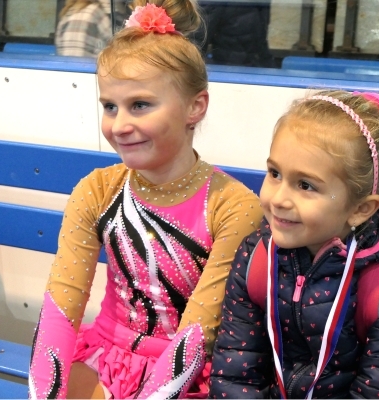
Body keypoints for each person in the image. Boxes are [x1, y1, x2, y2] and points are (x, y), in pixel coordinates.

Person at [30, 1, 263, 398]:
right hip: (105, 356)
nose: (120, 125)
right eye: (110, 106)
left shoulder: (232, 206)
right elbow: (61, 306)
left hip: (186, 373)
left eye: (140, 105)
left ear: (195, 107)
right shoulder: (97, 189)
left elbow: (196, 334)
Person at [210, 90, 379, 398]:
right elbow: (235, 373)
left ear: (360, 209)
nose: (278, 199)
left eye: (305, 185)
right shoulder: (256, 256)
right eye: (275, 173)